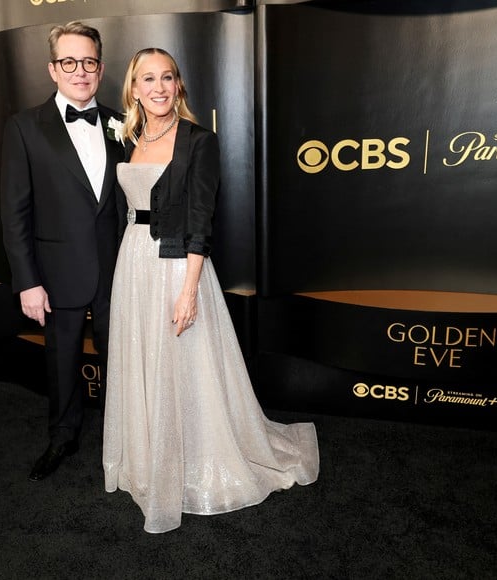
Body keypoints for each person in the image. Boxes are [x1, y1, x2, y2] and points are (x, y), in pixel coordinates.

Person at [102, 48, 320, 533]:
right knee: (145, 362)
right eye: (147, 79)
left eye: (168, 78)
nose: (158, 88)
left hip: (177, 263)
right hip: (132, 264)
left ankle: (196, 460)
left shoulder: (199, 141)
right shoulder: (128, 137)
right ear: (133, 88)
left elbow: (201, 216)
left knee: (186, 368)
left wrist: (189, 288)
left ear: (179, 85)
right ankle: (149, 458)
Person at [0, 21, 125, 481]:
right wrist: (27, 281)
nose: (80, 71)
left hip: (117, 270)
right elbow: (15, 213)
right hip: (55, 273)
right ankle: (63, 436)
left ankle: (125, 440)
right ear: (53, 69)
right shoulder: (24, 127)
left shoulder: (120, 123)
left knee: (123, 363)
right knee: (61, 362)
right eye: (69, 62)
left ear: (101, 67)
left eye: (88, 62)